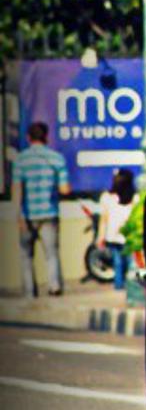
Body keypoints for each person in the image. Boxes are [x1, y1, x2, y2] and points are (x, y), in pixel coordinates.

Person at [11, 122, 71, 297]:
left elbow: (17, 190)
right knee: (51, 254)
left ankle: (30, 292)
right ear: (46, 137)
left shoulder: (21, 160)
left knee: (26, 255)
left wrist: (19, 216)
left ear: (28, 137)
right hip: (49, 213)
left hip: (27, 215)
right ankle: (54, 286)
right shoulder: (56, 158)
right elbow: (65, 189)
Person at [96, 169, 136, 291]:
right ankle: (127, 285)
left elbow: (103, 220)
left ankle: (120, 285)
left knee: (119, 262)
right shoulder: (134, 197)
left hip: (115, 236)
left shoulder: (106, 197)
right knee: (128, 262)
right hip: (126, 236)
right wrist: (101, 237)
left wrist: (101, 237)